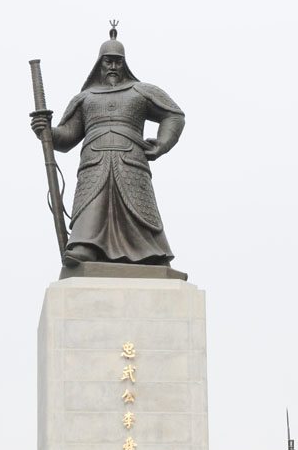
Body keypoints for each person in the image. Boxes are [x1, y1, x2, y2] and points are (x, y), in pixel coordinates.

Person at [30, 23, 185, 269]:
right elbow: (67, 137)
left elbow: (174, 115)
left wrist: (163, 143)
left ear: (125, 64)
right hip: (94, 160)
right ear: (99, 64)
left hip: (131, 160)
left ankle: (151, 254)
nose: (112, 66)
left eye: (117, 61)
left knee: (138, 208)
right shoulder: (85, 98)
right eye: (108, 61)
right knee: (92, 202)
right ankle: (84, 247)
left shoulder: (141, 91)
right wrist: (46, 130)